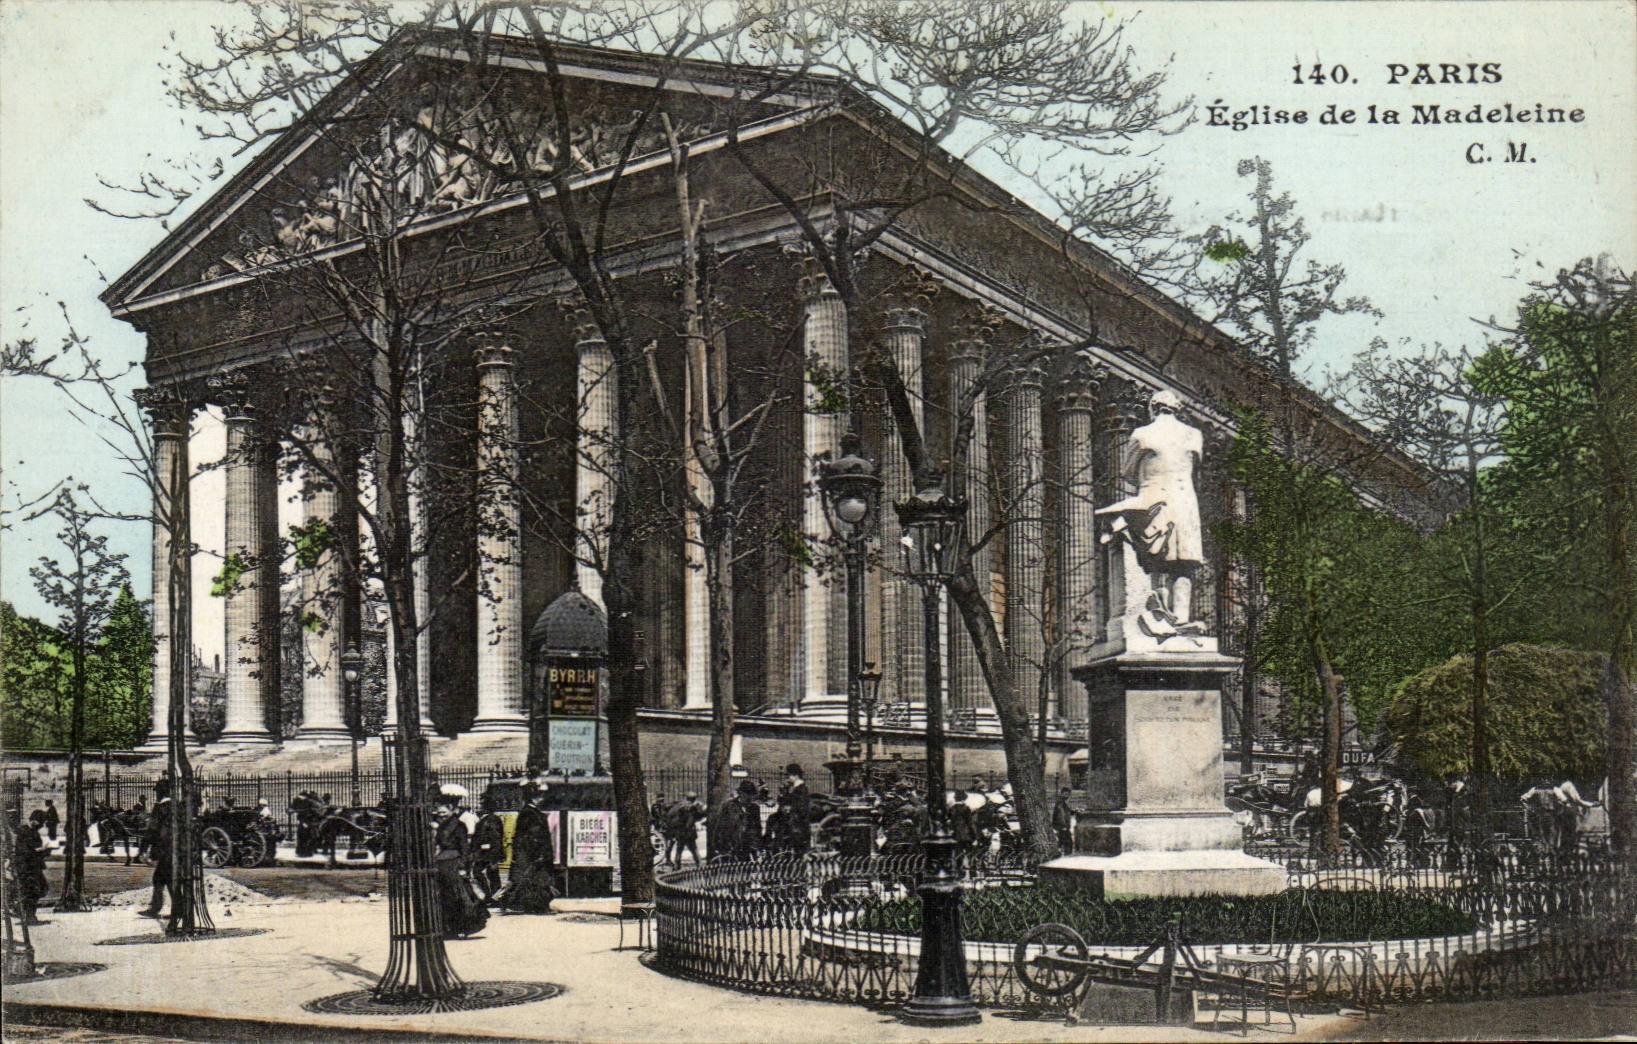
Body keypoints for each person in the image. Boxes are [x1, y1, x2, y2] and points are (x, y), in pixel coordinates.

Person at [1095, 388, 1206, 636]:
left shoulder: (1142, 434)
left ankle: (1160, 615)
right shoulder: (1194, 435)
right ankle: (1180, 618)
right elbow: (1196, 468)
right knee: (1184, 562)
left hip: (1154, 498)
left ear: (1153, 408)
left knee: (1156, 558)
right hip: (1185, 501)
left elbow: (1128, 472)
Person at [432, 786, 487, 938]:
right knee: (444, 897)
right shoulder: (441, 826)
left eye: (444, 813)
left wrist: (463, 867)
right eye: (439, 813)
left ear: (451, 810)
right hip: (442, 865)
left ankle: (460, 927)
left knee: (457, 897)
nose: (441, 815)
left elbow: (464, 849)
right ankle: (447, 928)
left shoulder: (459, 826)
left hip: (454, 865)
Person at [502, 782, 558, 914]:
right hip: (532, 854)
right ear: (532, 798)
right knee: (534, 880)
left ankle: (532, 906)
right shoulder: (529, 813)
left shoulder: (531, 812)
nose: (541, 799)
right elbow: (532, 835)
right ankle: (527, 906)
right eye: (539, 796)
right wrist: (538, 853)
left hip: (532, 853)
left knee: (534, 880)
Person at [139, 780, 173, 918]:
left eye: (157, 791)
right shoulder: (178, 806)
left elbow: (152, 829)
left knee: (159, 878)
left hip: (164, 849)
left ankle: (156, 909)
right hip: (177, 849)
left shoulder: (160, 808)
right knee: (168, 878)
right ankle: (178, 909)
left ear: (160, 792)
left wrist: (143, 848)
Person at [14, 813, 48, 924]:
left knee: (42, 888)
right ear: (34, 820)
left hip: (34, 866)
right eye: (41, 822)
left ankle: (26, 913)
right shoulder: (24, 832)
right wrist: (39, 851)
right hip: (27, 867)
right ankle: (28, 916)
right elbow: (23, 851)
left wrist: (43, 851)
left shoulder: (33, 831)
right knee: (31, 891)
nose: (42, 825)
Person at [470, 800, 507, 903]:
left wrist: (494, 857)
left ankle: (491, 897)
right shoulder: (488, 819)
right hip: (487, 852)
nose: (479, 807)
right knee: (492, 874)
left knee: (480, 872)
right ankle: (495, 897)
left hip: (488, 853)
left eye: (481, 805)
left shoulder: (491, 820)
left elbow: (495, 838)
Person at [778, 764, 812, 855]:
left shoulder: (801, 788)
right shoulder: (793, 788)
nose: (788, 778)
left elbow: (802, 807)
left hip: (798, 823)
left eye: (789, 775)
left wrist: (790, 808)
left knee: (798, 849)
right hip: (793, 820)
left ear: (796, 775)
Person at [665, 792, 706, 868]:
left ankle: (677, 866)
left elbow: (670, 816)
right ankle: (699, 865)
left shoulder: (679, 806)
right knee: (694, 849)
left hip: (681, 832)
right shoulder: (693, 808)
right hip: (689, 832)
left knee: (679, 850)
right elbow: (699, 816)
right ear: (693, 799)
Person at [728, 779, 763, 861]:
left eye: (751, 796)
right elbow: (722, 827)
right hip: (733, 848)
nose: (750, 799)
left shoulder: (755, 808)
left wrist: (758, 847)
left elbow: (757, 829)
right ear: (741, 794)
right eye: (747, 795)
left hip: (750, 848)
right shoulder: (730, 806)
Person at [1052, 786, 1075, 852]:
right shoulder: (1060, 803)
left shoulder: (1065, 803)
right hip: (1062, 827)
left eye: (1068, 794)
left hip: (1064, 827)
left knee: (1063, 843)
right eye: (1065, 794)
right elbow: (1061, 815)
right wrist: (1063, 826)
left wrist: (1073, 811)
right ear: (1062, 794)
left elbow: (1068, 812)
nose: (1067, 796)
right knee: (1067, 843)